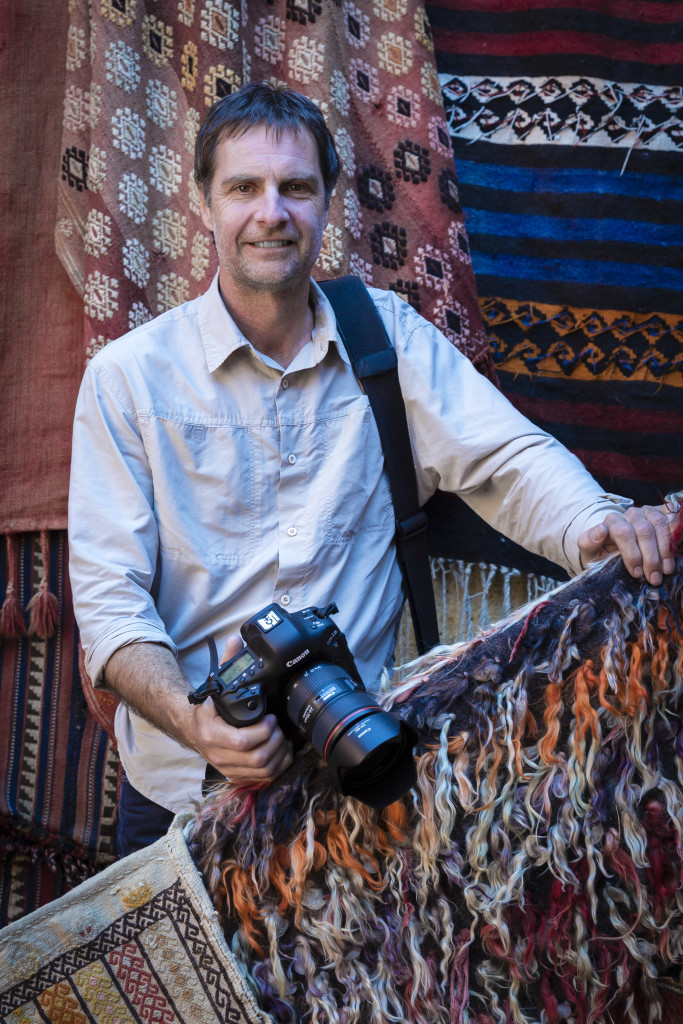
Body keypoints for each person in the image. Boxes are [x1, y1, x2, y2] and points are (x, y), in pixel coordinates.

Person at [68, 83, 675, 856]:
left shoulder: (382, 337)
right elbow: (109, 604)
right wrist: (197, 722)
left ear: (329, 202)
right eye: (244, 188)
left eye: (295, 187)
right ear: (205, 203)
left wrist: (598, 527)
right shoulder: (128, 377)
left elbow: (506, 457)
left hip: (359, 774)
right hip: (182, 789)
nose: (271, 213)